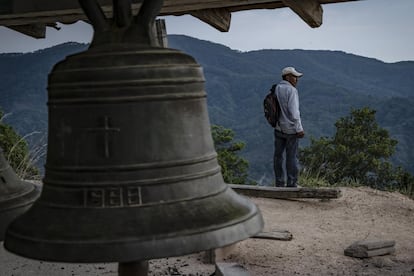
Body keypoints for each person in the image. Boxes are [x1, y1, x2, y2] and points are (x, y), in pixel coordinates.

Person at [273, 66, 305, 187]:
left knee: (278, 156)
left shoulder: (276, 88)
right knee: (291, 157)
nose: (296, 79)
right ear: (287, 77)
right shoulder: (291, 90)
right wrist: (299, 128)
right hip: (291, 129)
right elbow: (294, 112)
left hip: (278, 127)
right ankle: (292, 183)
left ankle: (279, 182)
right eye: (294, 77)